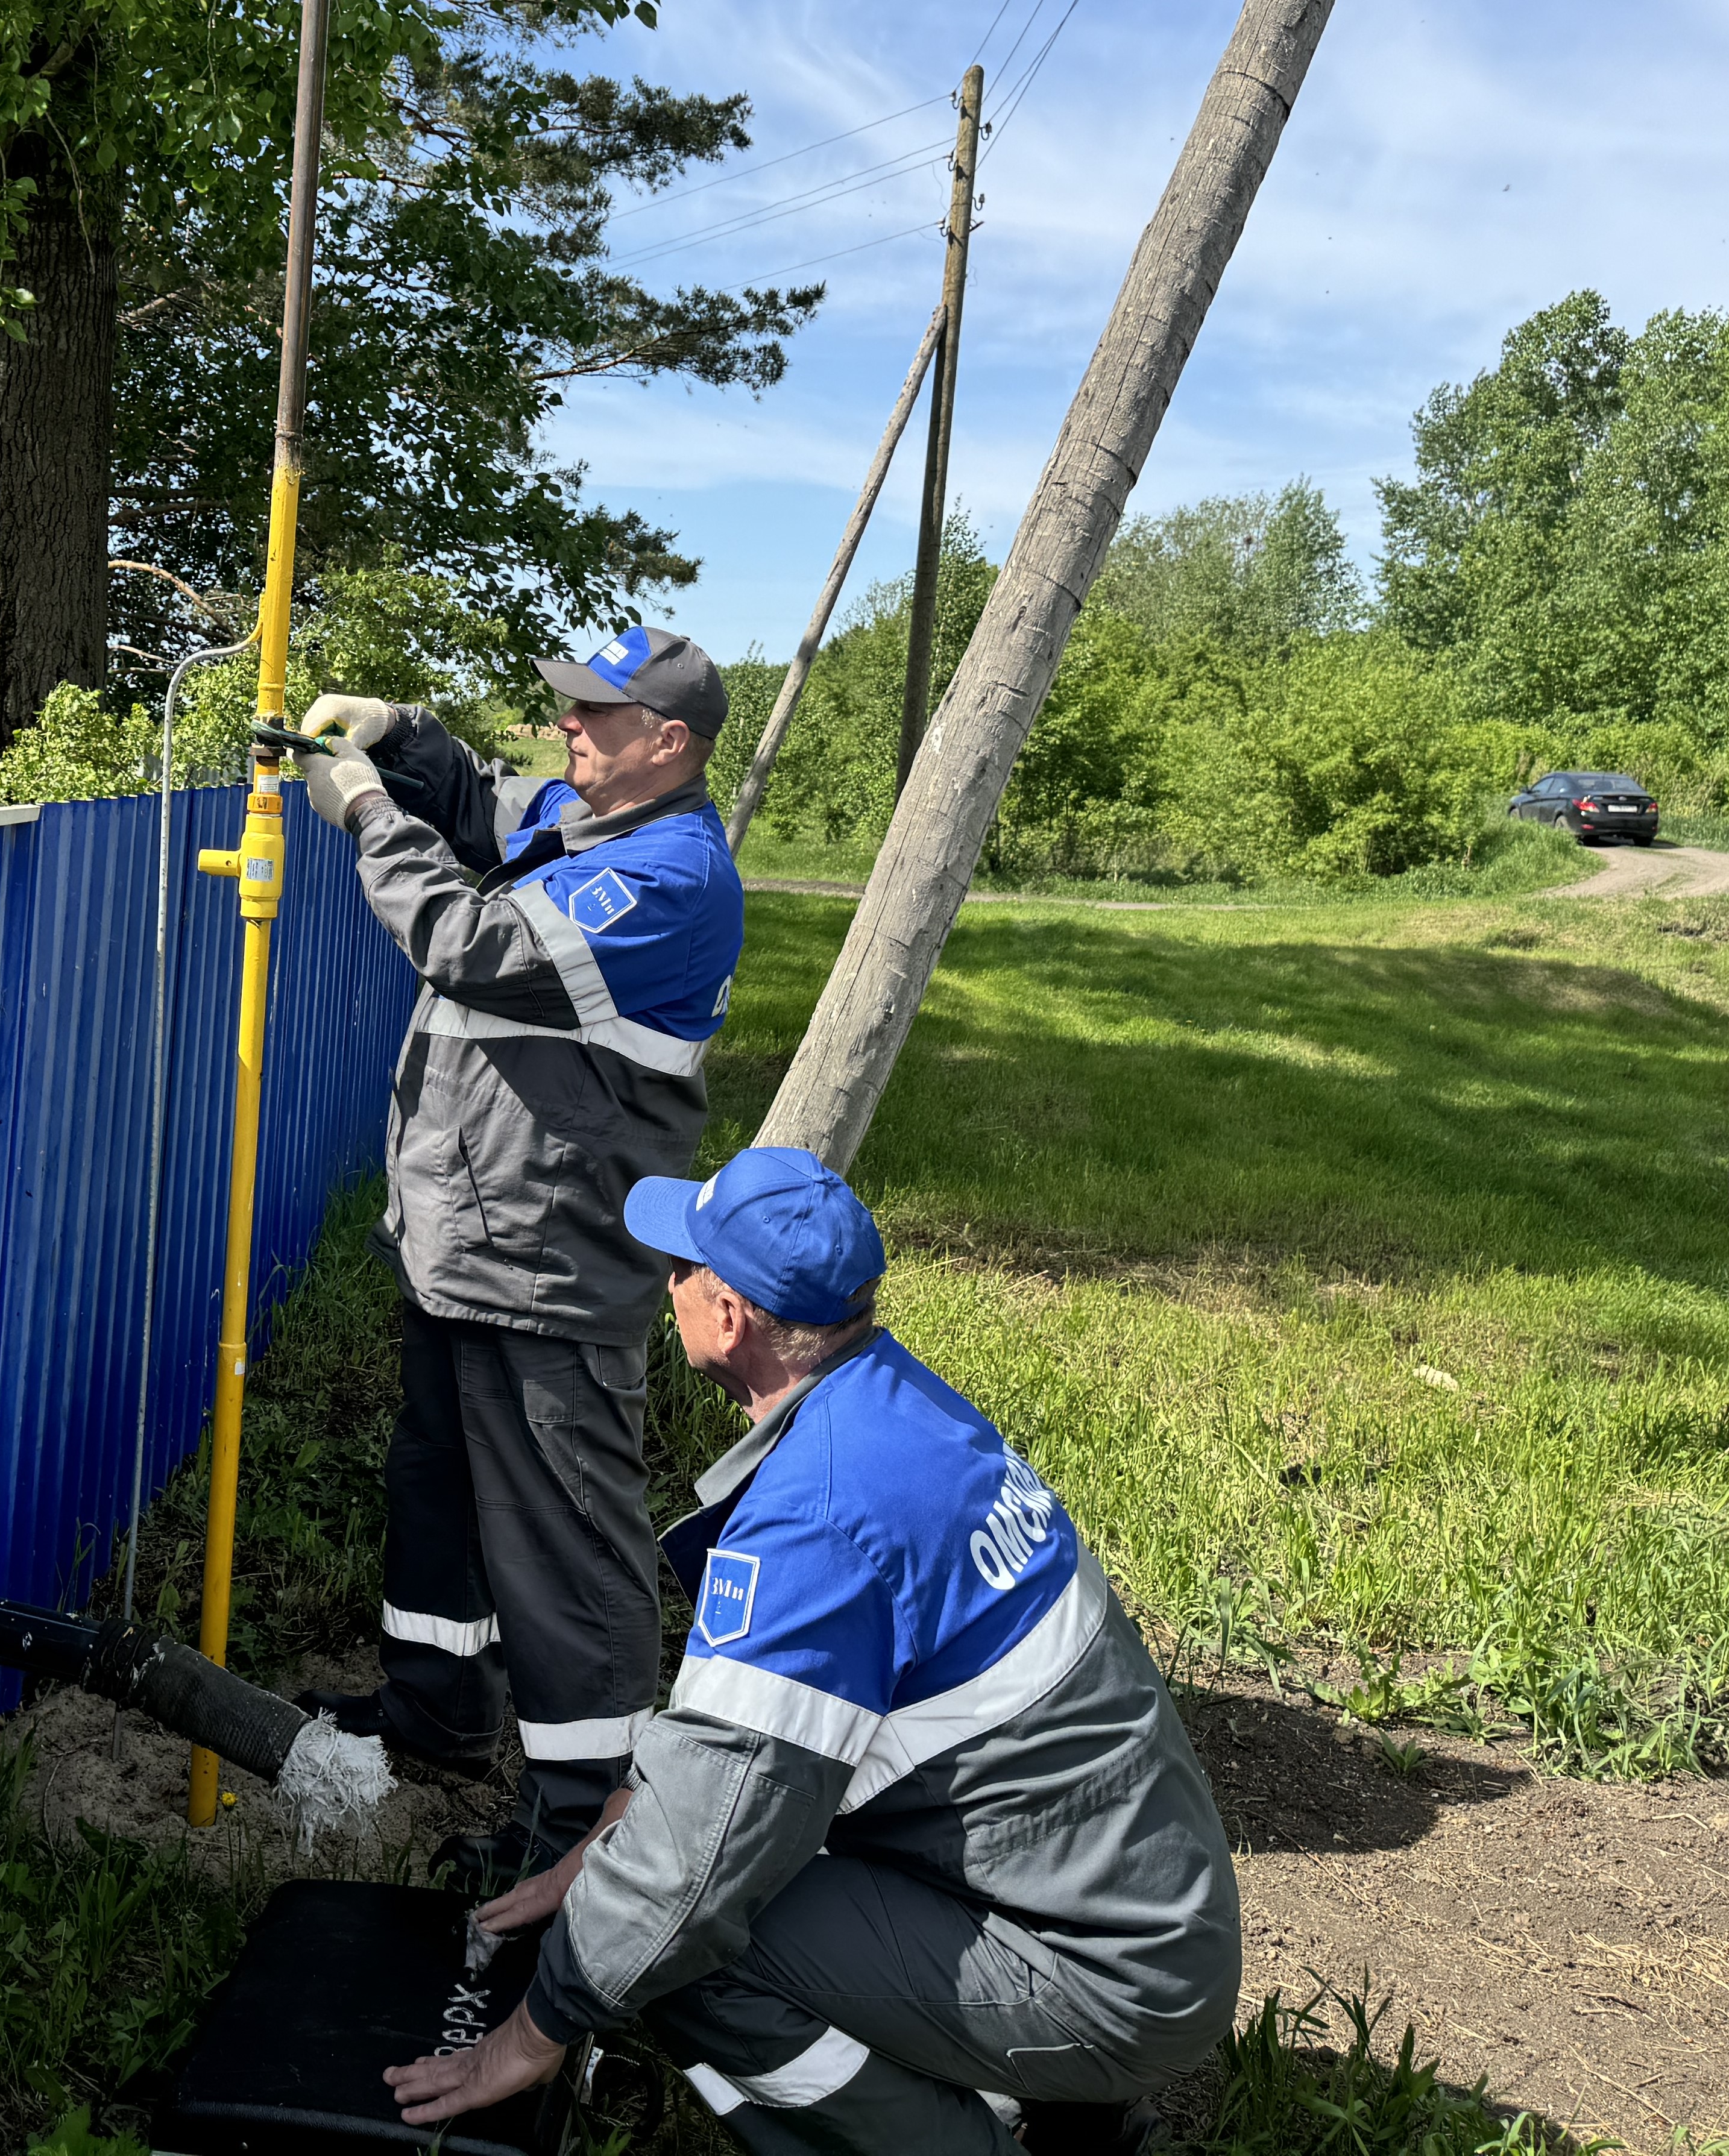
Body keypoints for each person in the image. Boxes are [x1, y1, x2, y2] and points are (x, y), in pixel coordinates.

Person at [380, 1149, 1243, 2155]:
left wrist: (530, 2033)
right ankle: (1072, 2118)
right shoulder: (902, 1410)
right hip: (1140, 1921)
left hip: (1103, 1973)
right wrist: (606, 1837)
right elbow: (758, 1749)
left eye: (680, 1268)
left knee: (680, 1949)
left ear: (730, 1316)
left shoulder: (820, 1520)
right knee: (677, 1883)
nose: (667, 1286)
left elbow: (688, 1876)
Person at [285, 626, 746, 1888]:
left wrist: (368, 808)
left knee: (562, 1538)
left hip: (544, 1259)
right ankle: (436, 1708)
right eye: (570, 710)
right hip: (467, 1237)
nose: (569, 731)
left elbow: (469, 944)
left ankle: (587, 1827)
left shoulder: (669, 878)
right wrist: (402, 731)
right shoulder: (589, 824)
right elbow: (493, 802)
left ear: (672, 745)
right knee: (435, 1486)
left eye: (598, 719)